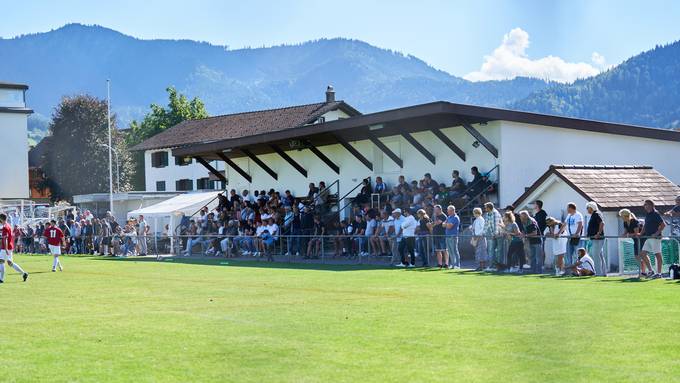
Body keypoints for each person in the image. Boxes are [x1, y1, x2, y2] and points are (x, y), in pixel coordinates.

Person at [640, 199, 666, 279]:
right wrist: (640, 233)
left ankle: (659, 273)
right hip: (648, 237)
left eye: (647, 204)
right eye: (645, 205)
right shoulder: (648, 214)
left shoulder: (655, 214)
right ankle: (651, 271)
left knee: (657, 254)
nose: (646, 206)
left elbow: (663, 225)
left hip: (655, 238)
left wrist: (657, 233)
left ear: (652, 205)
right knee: (643, 254)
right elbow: (645, 225)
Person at [0, 213, 28, 283]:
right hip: (10, 246)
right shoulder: (9, 225)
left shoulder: (5, 227)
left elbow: (5, 239)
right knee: (10, 263)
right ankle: (24, 273)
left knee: (1, 261)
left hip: (5, 247)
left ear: (1, 219)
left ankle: (1, 279)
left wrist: (5, 248)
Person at [585, 201, 606, 276]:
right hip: (595, 239)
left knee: (596, 255)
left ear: (591, 208)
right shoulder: (594, 214)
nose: (587, 209)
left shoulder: (596, 214)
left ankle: (599, 273)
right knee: (599, 255)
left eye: (587, 208)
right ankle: (603, 273)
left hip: (598, 239)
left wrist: (598, 233)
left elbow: (602, 223)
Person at [618, 209, 642, 274]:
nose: (621, 218)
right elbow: (625, 232)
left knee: (641, 255)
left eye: (622, 216)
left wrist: (628, 235)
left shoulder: (634, 221)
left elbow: (636, 233)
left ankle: (645, 270)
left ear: (626, 216)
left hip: (640, 240)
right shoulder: (625, 222)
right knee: (636, 256)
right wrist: (623, 235)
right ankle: (643, 271)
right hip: (635, 240)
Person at [483, 202, 502, 271]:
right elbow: (486, 224)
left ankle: (496, 266)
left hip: (499, 235)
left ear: (489, 208)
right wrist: (483, 233)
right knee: (491, 251)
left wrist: (494, 234)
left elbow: (496, 225)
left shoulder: (495, 213)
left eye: (486, 208)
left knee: (497, 251)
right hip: (493, 235)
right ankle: (492, 266)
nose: (485, 209)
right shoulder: (488, 214)